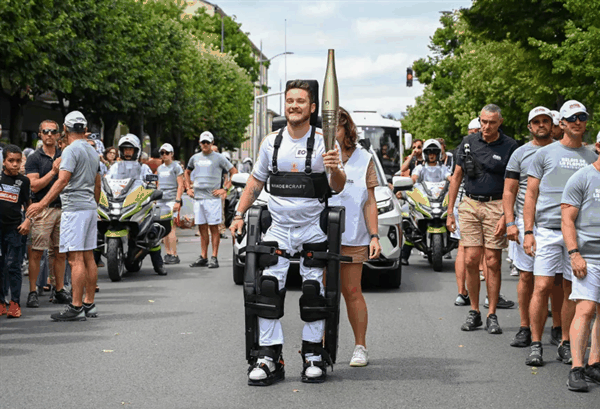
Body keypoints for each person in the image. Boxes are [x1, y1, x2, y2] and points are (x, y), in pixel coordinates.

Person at [230, 80, 345, 385]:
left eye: (300, 101)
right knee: (267, 289)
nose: (294, 105)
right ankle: (269, 358)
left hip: (312, 228)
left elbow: (338, 186)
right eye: (290, 100)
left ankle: (313, 355)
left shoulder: (326, 141)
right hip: (278, 228)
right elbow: (255, 182)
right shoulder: (271, 142)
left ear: (313, 107)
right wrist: (239, 214)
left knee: (314, 295)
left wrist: (334, 169)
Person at [522, 100, 598, 366]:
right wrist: (528, 231)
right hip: (548, 230)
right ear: (562, 123)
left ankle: (565, 341)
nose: (578, 122)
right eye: (572, 118)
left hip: (578, 236)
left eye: (582, 117)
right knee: (541, 286)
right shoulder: (544, 154)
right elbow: (530, 195)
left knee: (570, 290)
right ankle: (535, 342)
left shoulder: (593, 155)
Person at [447, 104, 518, 335]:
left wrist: (508, 216)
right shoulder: (468, 143)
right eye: (483, 122)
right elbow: (456, 177)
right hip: (469, 204)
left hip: (497, 205)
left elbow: (513, 186)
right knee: (470, 259)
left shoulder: (510, 146)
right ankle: (474, 311)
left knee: (493, 261)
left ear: (500, 122)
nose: (486, 127)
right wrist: (450, 212)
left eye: (491, 122)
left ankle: (492, 313)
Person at [26, 111, 102, 321]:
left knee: (75, 259)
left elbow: (62, 181)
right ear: (84, 129)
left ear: (65, 129)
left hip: (74, 209)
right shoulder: (92, 151)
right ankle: (89, 303)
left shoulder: (70, 151)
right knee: (89, 257)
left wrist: (41, 203)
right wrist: (94, 206)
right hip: (88, 207)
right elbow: (98, 184)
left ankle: (76, 307)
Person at [329, 107, 380, 367]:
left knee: (351, 290)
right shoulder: (319, 155)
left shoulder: (364, 158)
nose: (330, 134)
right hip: (321, 234)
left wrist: (374, 235)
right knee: (324, 291)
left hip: (353, 235)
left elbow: (370, 201)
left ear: (346, 129)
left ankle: (360, 346)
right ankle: (322, 346)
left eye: (335, 128)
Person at [503, 107, 555, 348]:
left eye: (546, 121)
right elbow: (509, 190)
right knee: (526, 276)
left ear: (553, 124)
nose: (541, 125)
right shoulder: (520, 153)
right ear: (529, 127)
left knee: (557, 280)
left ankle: (558, 328)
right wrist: (510, 222)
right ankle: (525, 327)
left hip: (556, 222)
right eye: (537, 122)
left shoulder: (561, 150)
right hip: (527, 224)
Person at [561, 149, 600, 392]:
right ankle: (576, 368)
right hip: (588, 257)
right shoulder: (582, 177)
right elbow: (567, 219)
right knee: (585, 309)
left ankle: (594, 364)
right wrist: (574, 254)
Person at [24, 120, 70, 308]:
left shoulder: (65, 155)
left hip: (62, 208)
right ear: (40, 134)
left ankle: (58, 290)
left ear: (59, 134)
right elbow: (33, 185)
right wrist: (53, 172)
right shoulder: (34, 157)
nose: (49, 134)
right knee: (36, 252)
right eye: (46, 131)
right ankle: (33, 291)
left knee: (59, 252)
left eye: (53, 131)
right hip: (42, 209)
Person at [106, 134, 166, 275]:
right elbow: (106, 181)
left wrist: (151, 189)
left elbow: (151, 183)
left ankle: (158, 264)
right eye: (125, 149)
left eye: (130, 149)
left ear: (136, 151)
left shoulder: (143, 167)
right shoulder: (115, 167)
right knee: (97, 228)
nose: (127, 152)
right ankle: (92, 267)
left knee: (152, 230)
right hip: (119, 201)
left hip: (138, 203)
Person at [185, 131, 237, 269]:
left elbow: (234, 172)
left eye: (208, 142)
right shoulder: (195, 158)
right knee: (202, 228)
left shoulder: (219, 158)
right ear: (200, 143)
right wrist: (187, 188)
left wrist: (225, 189)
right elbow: (187, 172)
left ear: (212, 143)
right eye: (203, 142)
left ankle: (214, 257)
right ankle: (203, 256)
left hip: (212, 199)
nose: (205, 145)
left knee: (214, 228)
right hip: (198, 198)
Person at [0, 145, 32, 318]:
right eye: (11, 161)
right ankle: (1, 302)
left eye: (18, 161)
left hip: (15, 229)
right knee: (0, 265)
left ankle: (15, 303)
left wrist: (28, 221)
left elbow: (30, 206)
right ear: (4, 161)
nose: (14, 164)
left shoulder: (24, 181)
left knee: (13, 266)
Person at [452, 118, 480, 306]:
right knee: (465, 248)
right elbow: (455, 177)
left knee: (482, 251)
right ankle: (463, 292)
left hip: (477, 203)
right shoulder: (465, 148)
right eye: (477, 130)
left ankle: (468, 293)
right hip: (466, 202)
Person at [157, 143, 184, 265]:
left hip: (171, 199)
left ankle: (174, 253)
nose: (164, 155)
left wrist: (178, 200)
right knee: (163, 227)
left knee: (171, 227)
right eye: (162, 153)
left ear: (172, 154)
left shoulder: (176, 167)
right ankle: (168, 253)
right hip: (161, 200)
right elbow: (158, 184)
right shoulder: (160, 168)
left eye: (167, 153)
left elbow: (180, 185)